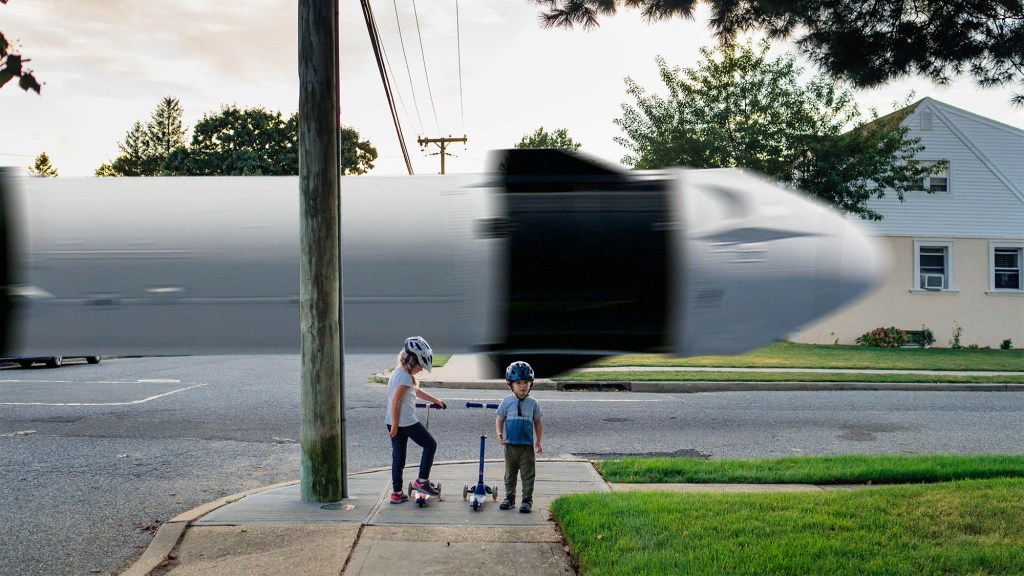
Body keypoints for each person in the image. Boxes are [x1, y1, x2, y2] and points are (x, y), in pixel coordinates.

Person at [385, 336, 447, 504]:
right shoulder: (405, 377)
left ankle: (397, 493)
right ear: (412, 362)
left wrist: (435, 400)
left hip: (393, 421)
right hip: (404, 422)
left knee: (398, 458)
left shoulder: (398, 373)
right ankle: (422, 481)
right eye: (420, 366)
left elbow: (416, 392)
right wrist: (397, 426)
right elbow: (395, 401)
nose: (421, 370)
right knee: (430, 445)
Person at [495, 360, 544, 513]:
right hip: (510, 446)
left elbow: (538, 422)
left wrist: (539, 441)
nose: (523, 386)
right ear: (511, 384)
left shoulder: (533, 403)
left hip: (526, 447)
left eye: (526, 382)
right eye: (518, 382)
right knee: (510, 475)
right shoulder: (506, 402)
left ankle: (527, 500)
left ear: (531, 384)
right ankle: (509, 498)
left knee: (528, 475)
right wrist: (499, 432)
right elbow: (499, 419)